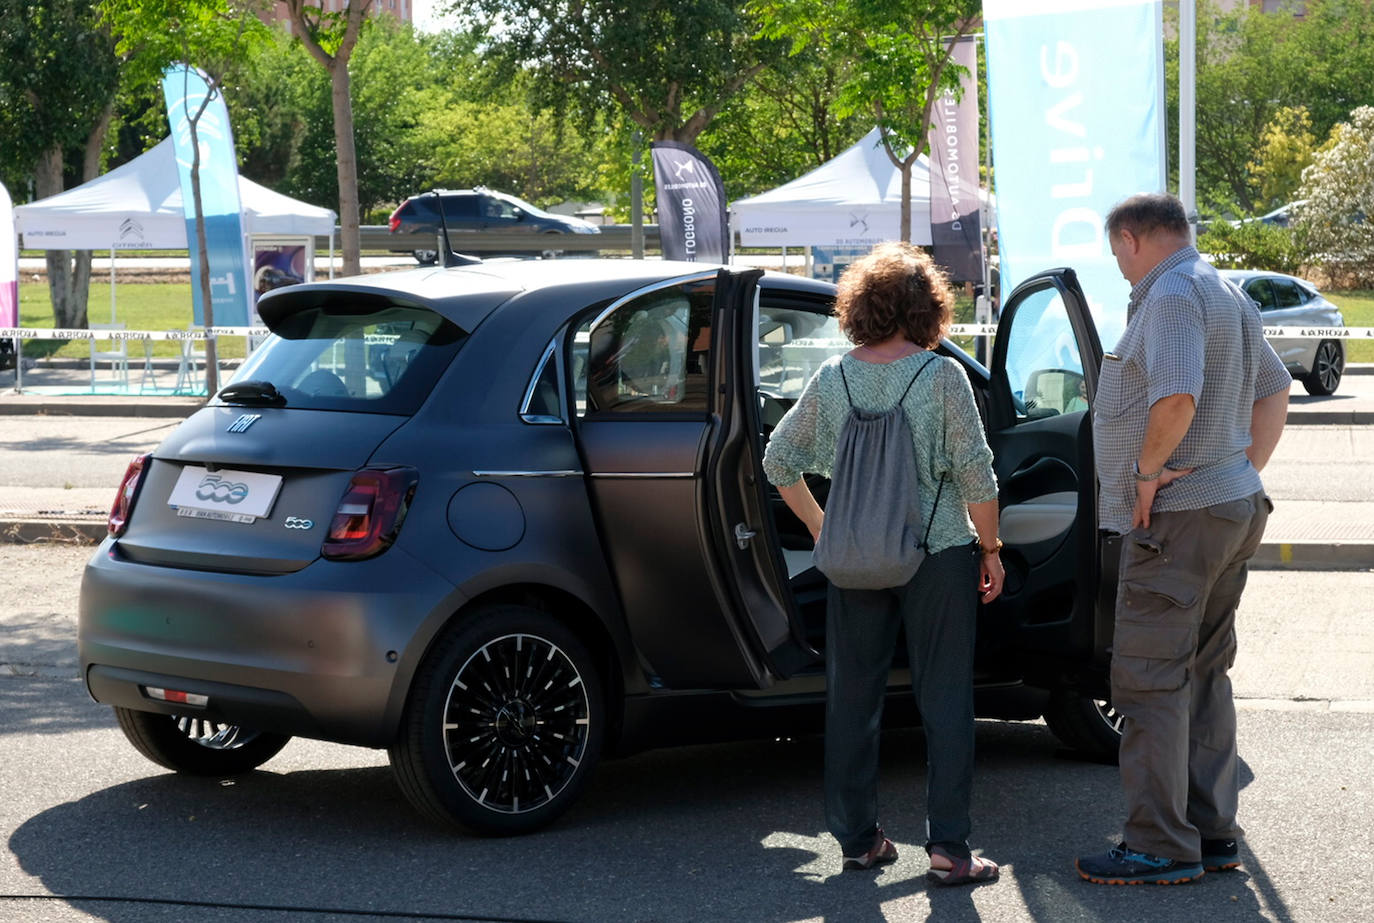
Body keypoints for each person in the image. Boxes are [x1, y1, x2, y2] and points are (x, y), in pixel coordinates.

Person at [762, 242, 1003, 884]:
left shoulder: (834, 377)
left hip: (856, 560)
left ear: (861, 304)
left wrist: (822, 526)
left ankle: (858, 842)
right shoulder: (942, 375)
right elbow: (978, 477)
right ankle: (950, 849)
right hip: (939, 553)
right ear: (928, 309)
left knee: (853, 699)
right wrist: (991, 548)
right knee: (945, 699)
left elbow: (777, 460)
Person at [1076, 193, 1290, 885]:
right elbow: (1275, 391)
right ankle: (1210, 830)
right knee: (1202, 672)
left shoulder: (1168, 294)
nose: (1119, 268)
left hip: (1176, 518)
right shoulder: (1225, 288)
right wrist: (1240, 467)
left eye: (1116, 254)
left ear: (1132, 238)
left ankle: (1159, 844)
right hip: (1228, 505)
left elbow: (1176, 399)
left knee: (1148, 678)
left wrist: (1143, 475)